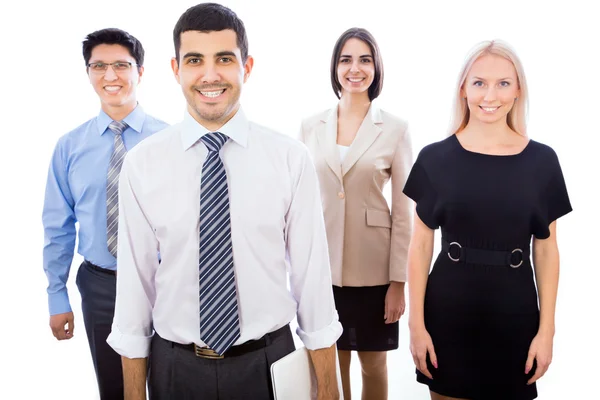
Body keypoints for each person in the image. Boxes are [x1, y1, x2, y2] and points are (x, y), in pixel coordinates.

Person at [106, 3, 342, 399]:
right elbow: (134, 290)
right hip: (175, 369)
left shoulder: (289, 159)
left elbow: (312, 281)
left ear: (246, 67)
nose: (210, 75)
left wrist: (329, 388)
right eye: (195, 60)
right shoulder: (142, 165)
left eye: (224, 59)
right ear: (176, 68)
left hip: (271, 367)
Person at [403, 40, 572, 400]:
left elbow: (546, 251)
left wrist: (547, 331)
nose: (489, 94)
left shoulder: (543, 162)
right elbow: (419, 247)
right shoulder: (434, 159)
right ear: (463, 89)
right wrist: (416, 325)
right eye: (479, 82)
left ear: (518, 90)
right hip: (449, 314)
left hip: (515, 316)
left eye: (503, 83)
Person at [42, 28, 168, 399]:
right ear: (88, 73)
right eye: (99, 66)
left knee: (169, 385)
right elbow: (58, 226)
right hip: (100, 285)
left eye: (121, 65)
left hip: (164, 283)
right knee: (115, 389)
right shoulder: (70, 147)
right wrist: (56, 295)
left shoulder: (170, 141)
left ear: (140, 72)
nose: (110, 76)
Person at [299, 28, 413, 400]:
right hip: (322, 271)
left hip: (375, 273)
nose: (355, 68)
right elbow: (299, 202)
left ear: (376, 67)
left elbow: (404, 209)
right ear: (335, 67)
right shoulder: (310, 126)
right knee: (331, 365)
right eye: (346, 59)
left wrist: (399, 281)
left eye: (364, 59)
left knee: (374, 365)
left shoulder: (395, 129)